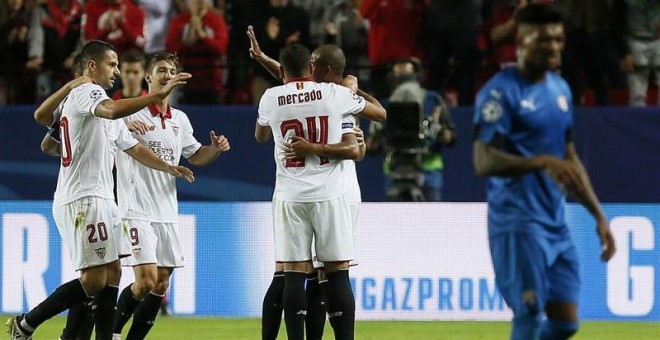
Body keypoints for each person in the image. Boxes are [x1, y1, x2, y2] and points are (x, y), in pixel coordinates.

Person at [6, 40, 194, 340]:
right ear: (92, 66)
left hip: (103, 198)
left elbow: (131, 147)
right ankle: (27, 323)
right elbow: (107, 109)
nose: (117, 71)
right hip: (84, 197)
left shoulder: (90, 101)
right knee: (94, 279)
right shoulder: (88, 93)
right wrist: (155, 96)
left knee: (113, 274)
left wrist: (169, 167)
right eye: (112, 64)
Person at [472, 5, 615, 339]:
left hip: (555, 220)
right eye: (544, 40)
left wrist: (598, 215)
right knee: (530, 312)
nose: (554, 47)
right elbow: (482, 161)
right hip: (517, 222)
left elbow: (569, 157)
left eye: (558, 39)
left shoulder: (560, 89)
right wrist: (540, 162)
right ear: (522, 40)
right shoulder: (500, 92)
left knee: (566, 323)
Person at [248, 27, 381, 340]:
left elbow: (261, 134)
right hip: (332, 194)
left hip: (290, 195)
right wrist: (355, 92)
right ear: (312, 68)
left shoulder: (271, 97)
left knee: (292, 272)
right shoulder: (337, 95)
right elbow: (377, 118)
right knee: (336, 273)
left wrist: (261, 61)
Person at [111, 52, 231, 340]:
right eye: (161, 69)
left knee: (161, 284)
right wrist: (123, 125)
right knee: (145, 281)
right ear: (148, 77)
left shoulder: (180, 119)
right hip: (136, 209)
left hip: (166, 210)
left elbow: (196, 155)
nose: (167, 74)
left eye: (172, 69)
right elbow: (103, 128)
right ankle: (111, 333)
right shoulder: (125, 111)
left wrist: (214, 149)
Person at [368, 58, 456, 201]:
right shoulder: (383, 106)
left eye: (408, 77)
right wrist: (374, 142)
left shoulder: (433, 101)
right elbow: (372, 144)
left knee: (432, 220)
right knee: (396, 220)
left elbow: (451, 136)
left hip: (428, 170)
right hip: (395, 169)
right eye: (400, 78)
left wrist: (443, 133)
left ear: (418, 76)